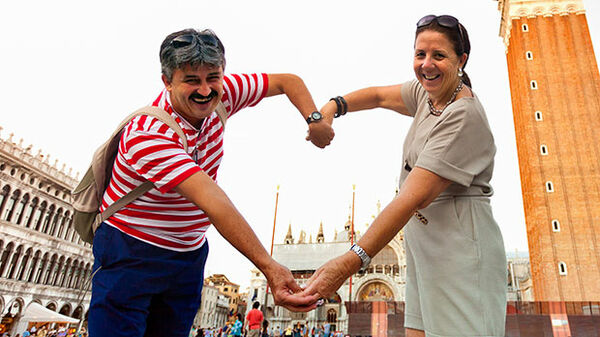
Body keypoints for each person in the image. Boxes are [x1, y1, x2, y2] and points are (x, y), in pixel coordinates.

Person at [87, 28, 326, 337]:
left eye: (212, 77)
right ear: (167, 82)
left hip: (188, 253)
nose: (205, 90)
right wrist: (269, 267)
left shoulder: (224, 91)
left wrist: (314, 119)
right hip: (131, 249)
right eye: (191, 80)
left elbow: (287, 81)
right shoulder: (148, 134)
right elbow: (213, 201)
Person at [302, 15, 507, 337]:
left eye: (439, 56)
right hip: (424, 247)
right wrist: (330, 108)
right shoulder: (430, 95)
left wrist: (350, 261)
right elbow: (378, 96)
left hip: (459, 251)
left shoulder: (463, 115)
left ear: (461, 60)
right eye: (420, 54)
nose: (426, 65)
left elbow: (411, 197)